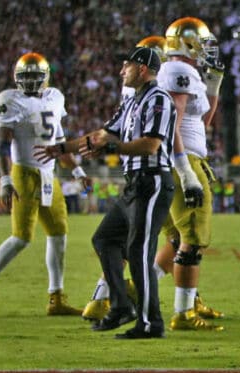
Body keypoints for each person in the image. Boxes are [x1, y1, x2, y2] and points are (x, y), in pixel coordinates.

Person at [37, 46, 176, 339]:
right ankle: (121, 306)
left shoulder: (159, 99)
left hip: (152, 183)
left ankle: (152, 323)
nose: (120, 71)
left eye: (126, 65)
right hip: (135, 184)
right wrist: (62, 148)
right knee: (104, 238)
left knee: (139, 253)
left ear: (142, 69)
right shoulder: (131, 102)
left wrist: (113, 148)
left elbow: (151, 144)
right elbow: (99, 136)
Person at [0, 52, 90, 318]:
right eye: (26, 77)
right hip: (24, 172)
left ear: (46, 77)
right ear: (16, 78)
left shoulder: (56, 97)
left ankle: (56, 298)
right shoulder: (10, 100)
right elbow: (1, 145)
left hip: (49, 175)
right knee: (22, 237)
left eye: (36, 76)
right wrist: (6, 179)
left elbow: (58, 142)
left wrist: (78, 171)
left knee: (59, 235)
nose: (31, 82)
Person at [148, 18, 226, 332]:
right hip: (183, 161)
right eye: (202, 42)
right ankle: (182, 312)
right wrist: (185, 172)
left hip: (184, 158)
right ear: (187, 42)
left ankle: (137, 290)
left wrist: (215, 86)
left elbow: (201, 123)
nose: (207, 48)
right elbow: (172, 126)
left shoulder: (182, 72)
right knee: (192, 240)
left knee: (179, 238)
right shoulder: (178, 71)